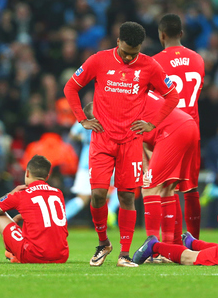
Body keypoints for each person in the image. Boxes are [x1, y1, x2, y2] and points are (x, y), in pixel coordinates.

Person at [63, 21, 179, 267]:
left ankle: (124, 255)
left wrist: (152, 123)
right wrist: (82, 119)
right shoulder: (98, 60)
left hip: (131, 141)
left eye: (134, 53)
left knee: (127, 197)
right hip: (103, 139)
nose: (129, 57)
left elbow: (172, 95)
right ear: (117, 42)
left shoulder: (150, 65)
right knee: (97, 195)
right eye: (125, 51)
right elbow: (71, 87)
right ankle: (103, 242)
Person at [152, 13, 205, 239]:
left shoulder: (154, 62)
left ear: (161, 34)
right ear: (181, 34)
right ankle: (193, 241)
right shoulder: (198, 59)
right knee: (191, 187)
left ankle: (170, 244)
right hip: (193, 127)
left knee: (167, 186)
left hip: (169, 129)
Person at [0, 155, 69, 264]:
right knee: (24, 221)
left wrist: (9, 194)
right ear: (47, 177)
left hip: (34, 256)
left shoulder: (21, 195)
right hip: (62, 256)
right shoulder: (58, 193)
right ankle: (13, 253)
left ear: (27, 173)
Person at [141, 91, 198, 246]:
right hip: (188, 125)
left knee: (148, 188)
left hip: (172, 130)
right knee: (167, 189)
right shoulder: (143, 92)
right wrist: (148, 168)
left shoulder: (124, 99)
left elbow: (132, 138)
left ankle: (153, 249)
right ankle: (168, 247)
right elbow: (141, 140)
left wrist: (147, 170)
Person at [64, 102, 119, 222]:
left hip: (86, 162)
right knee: (122, 185)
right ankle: (110, 209)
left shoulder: (84, 119)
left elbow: (72, 135)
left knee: (82, 199)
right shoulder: (109, 119)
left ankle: (61, 219)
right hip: (105, 161)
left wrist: (84, 138)